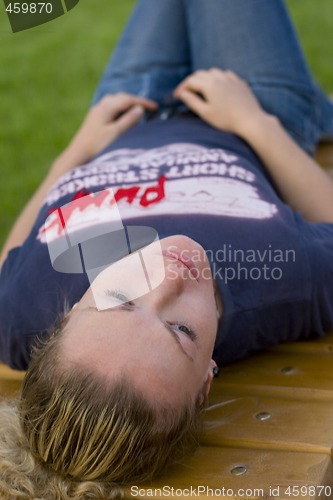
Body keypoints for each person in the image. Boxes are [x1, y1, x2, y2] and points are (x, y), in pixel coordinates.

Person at [1, 0, 333, 498]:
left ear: (67, 318)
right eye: (180, 331)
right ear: (205, 382)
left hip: (129, 110)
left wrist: (77, 149)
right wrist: (255, 123)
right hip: (251, 106)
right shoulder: (287, 281)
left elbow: (13, 256)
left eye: (119, 298)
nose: (168, 277)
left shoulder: (18, 315)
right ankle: (311, 108)